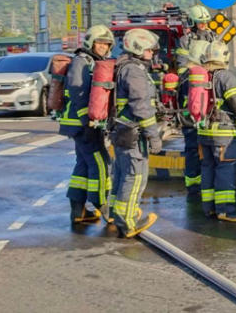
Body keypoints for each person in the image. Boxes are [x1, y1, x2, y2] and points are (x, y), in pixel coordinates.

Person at [59, 25, 115, 225]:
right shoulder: (81, 61)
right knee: (100, 163)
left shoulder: (91, 61)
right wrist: (88, 120)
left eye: (107, 44)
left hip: (83, 123)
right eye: (100, 43)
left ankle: (78, 211)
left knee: (83, 165)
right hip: (83, 123)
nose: (103, 47)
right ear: (91, 42)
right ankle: (104, 207)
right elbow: (77, 91)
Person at [110, 28, 162, 238]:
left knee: (122, 174)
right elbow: (141, 107)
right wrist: (153, 135)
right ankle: (128, 221)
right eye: (149, 49)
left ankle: (116, 213)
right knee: (135, 176)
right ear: (139, 48)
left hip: (122, 131)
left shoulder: (125, 67)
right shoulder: (134, 71)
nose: (152, 53)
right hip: (133, 133)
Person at [198, 41, 236, 222]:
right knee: (225, 170)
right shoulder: (226, 77)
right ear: (224, 57)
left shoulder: (201, 76)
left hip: (203, 132)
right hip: (223, 133)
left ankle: (209, 208)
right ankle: (227, 211)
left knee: (208, 168)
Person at [175, 39, 211, 202]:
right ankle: (203, 184)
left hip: (186, 120)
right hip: (198, 120)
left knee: (191, 152)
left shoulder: (184, 74)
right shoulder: (200, 74)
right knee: (204, 152)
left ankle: (192, 185)